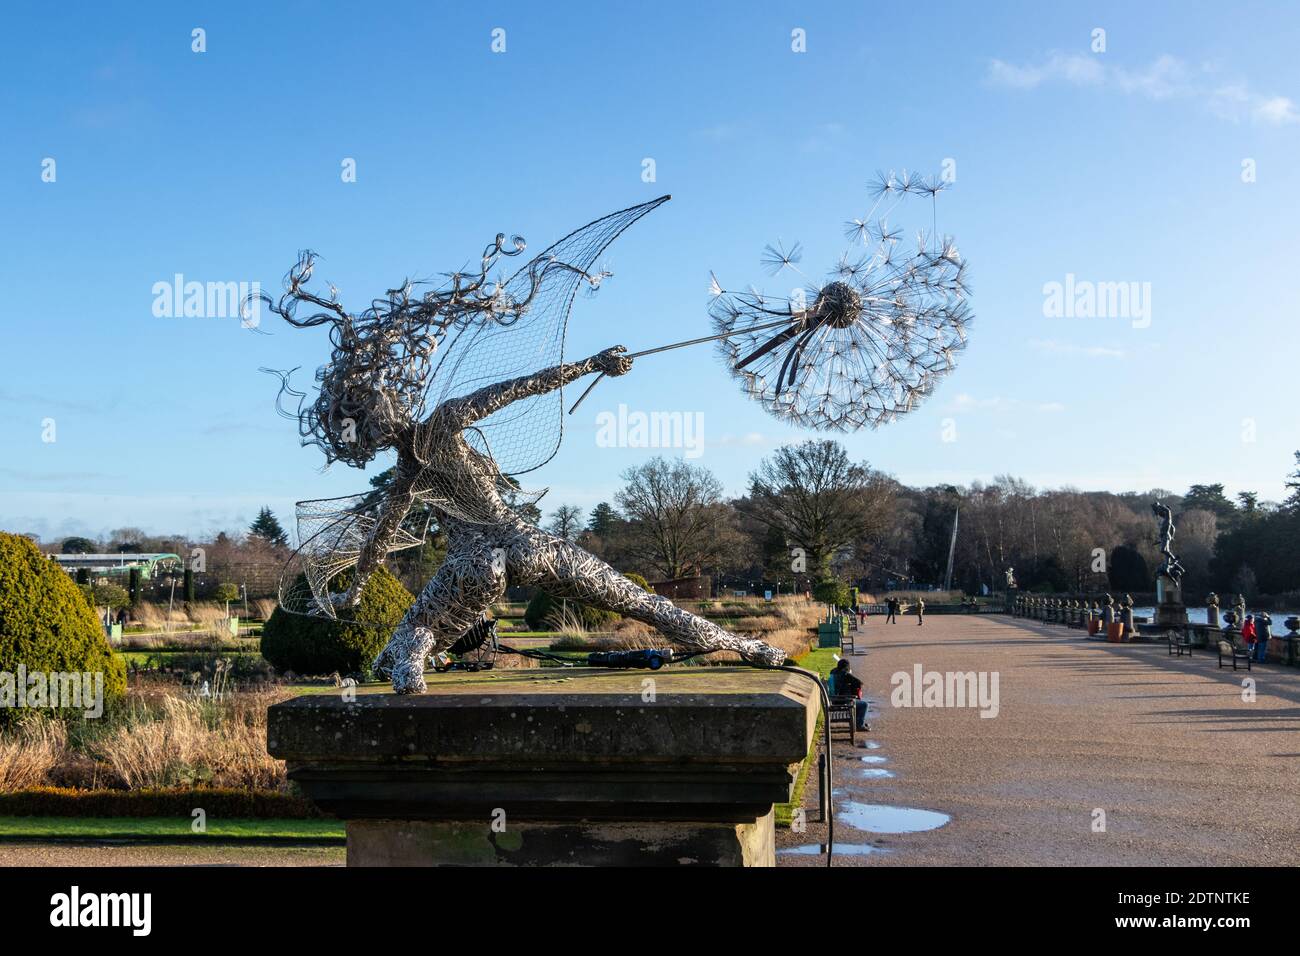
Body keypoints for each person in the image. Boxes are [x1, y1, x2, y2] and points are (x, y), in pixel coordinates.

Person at [829, 658, 869, 731]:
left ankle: (857, 723)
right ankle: (859, 725)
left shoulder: (833, 673)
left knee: (856, 702)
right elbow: (859, 683)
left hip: (834, 700)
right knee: (864, 705)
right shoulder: (845, 674)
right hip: (843, 701)